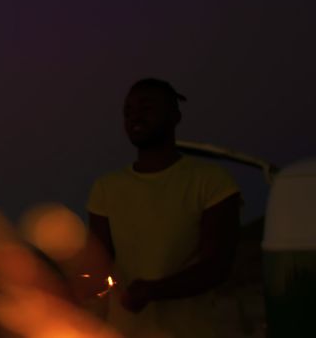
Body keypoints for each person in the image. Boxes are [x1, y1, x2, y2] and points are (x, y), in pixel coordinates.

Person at [87, 78, 241, 337]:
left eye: (146, 108)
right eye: (128, 111)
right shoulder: (105, 188)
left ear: (174, 115)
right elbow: (98, 263)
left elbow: (217, 266)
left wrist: (153, 291)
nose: (135, 116)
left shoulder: (213, 181)